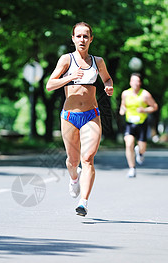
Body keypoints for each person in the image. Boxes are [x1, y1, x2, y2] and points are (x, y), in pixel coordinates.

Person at [46, 22, 113, 216]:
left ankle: (83, 202)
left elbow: (107, 78)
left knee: (88, 158)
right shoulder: (66, 60)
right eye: (79, 36)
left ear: (91, 39)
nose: (82, 40)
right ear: (73, 38)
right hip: (69, 117)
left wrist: (108, 86)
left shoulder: (98, 61)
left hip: (91, 115)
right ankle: (74, 179)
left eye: (86, 36)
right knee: (73, 161)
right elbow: (50, 84)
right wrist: (70, 77)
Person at [119, 73, 158, 178]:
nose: (135, 83)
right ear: (130, 82)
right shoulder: (125, 94)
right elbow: (123, 105)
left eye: (137, 81)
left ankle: (140, 153)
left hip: (141, 124)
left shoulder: (145, 94)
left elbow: (154, 106)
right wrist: (122, 110)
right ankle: (132, 168)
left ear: (140, 83)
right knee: (128, 143)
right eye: (133, 81)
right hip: (129, 124)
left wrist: (144, 110)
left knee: (142, 148)